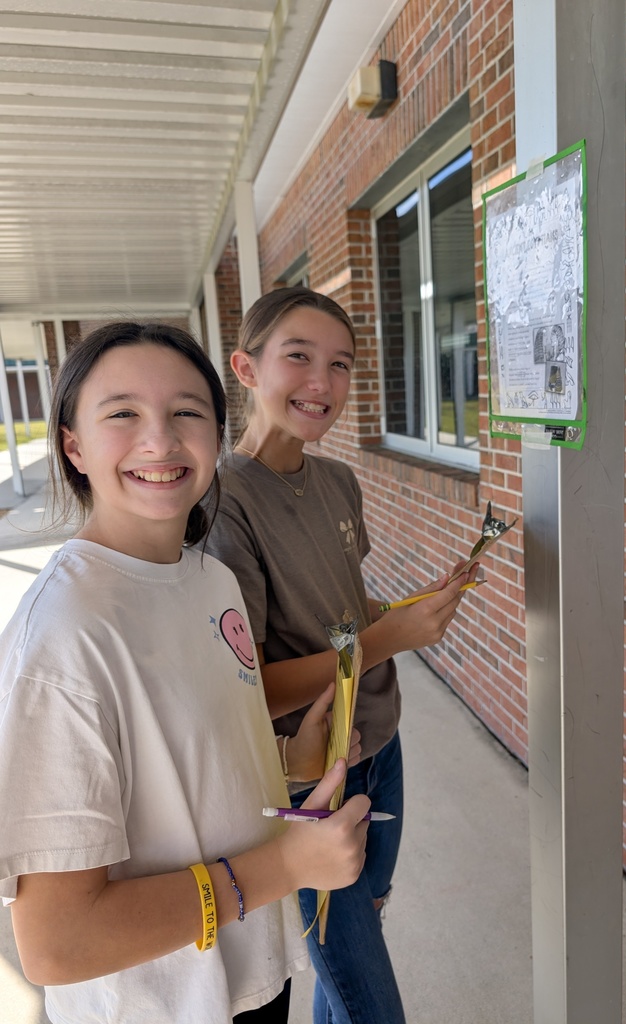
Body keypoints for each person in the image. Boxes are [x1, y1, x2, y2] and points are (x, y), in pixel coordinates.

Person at [0, 321, 371, 1024]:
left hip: (248, 973)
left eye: (186, 413)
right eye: (123, 415)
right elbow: (58, 942)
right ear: (73, 445)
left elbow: (179, 767)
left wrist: (292, 759)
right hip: (157, 1004)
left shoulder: (210, 581)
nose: (160, 441)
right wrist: (287, 867)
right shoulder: (61, 635)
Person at [205, 286, 476, 1024]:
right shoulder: (224, 503)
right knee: (369, 999)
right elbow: (251, 688)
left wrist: (406, 608)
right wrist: (388, 639)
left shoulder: (339, 480)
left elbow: (341, 618)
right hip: (307, 778)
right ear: (246, 367)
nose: (322, 384)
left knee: (354, 952)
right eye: (298, 357)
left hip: (380, 745)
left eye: (341, 365)